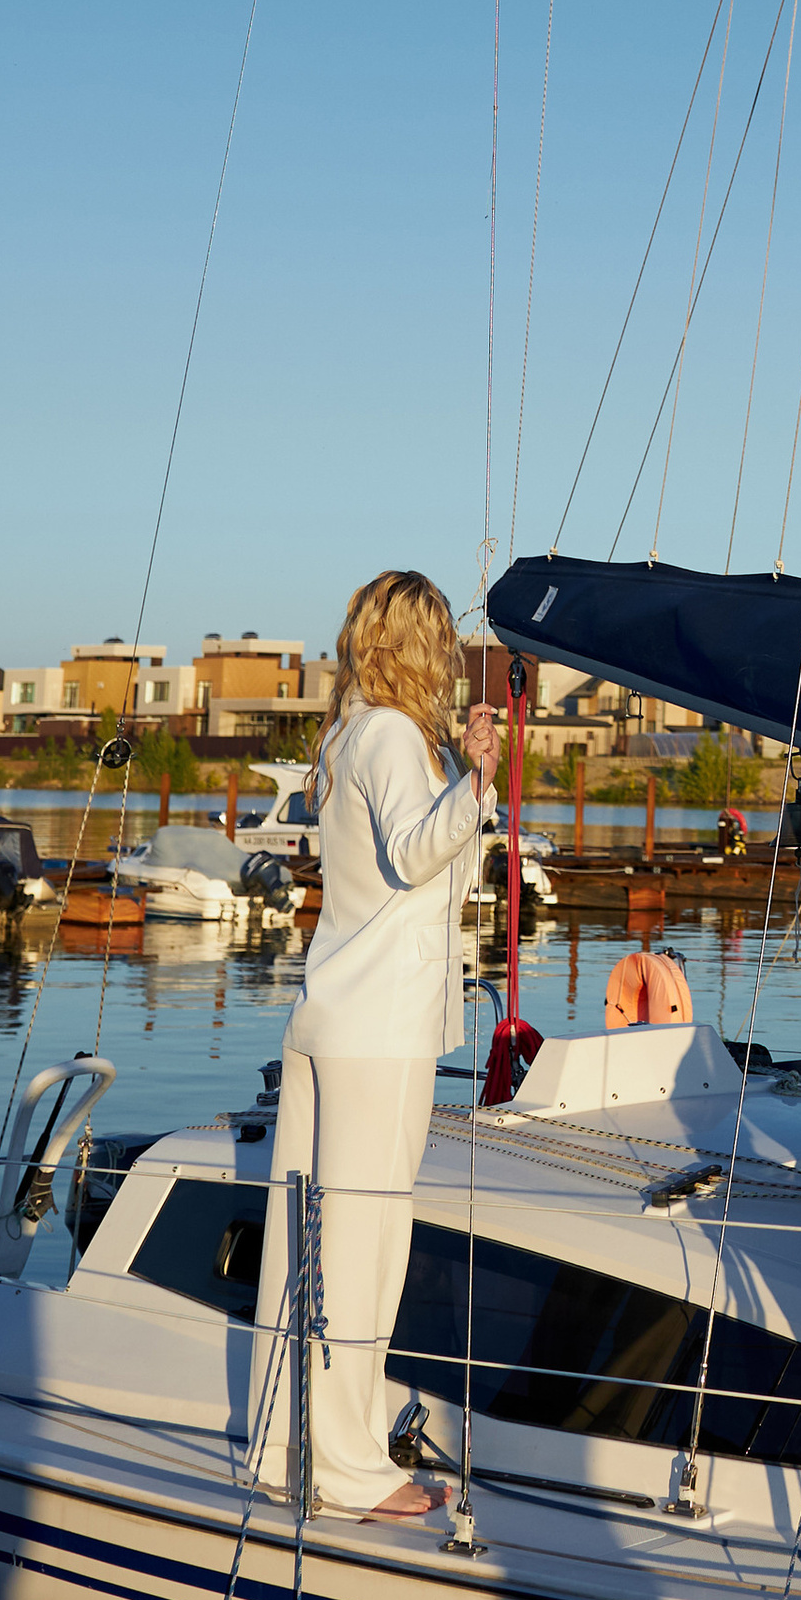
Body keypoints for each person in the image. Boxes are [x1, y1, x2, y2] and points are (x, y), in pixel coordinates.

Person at [250, 569, 495, 1520]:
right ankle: (350, 1468)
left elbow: (427, 866)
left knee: (302, 1238)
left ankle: (286, 1446)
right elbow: (416, 849)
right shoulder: (391, 736)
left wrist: (469, 779)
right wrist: (472, 785)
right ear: (419, 642)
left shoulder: (353, 734)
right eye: (443, 638)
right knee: (363, 1242)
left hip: (331, 1016)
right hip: (379, 1027)